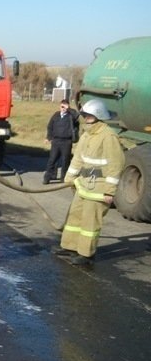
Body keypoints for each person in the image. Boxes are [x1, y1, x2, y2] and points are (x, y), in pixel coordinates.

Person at [52, 99, 125, 266]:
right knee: (75, 217)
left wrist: (109, 191)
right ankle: (70, 247)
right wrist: (69, 178)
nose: (85, 118)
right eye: (84, 115)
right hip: (83, 185)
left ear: (98, 116)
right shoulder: (86, 134)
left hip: (99, 188)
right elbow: (78, 159)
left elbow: (116, 164)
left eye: (89, 116)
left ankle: (86, 254)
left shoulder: (108, 136)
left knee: (90, 222)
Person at [43, 99, 80, 184]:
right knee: (52, 160)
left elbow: (77, 115)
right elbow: (50, 126)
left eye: (65, 106)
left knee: (65, 161)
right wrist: (48, 137)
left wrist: (68, 108)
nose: (63, 108)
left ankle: (64, 178)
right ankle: (48, 177)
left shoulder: (71, 116)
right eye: (62, 106)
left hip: (66, 142)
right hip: (56, 141)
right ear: (59, 106)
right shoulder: (56, 115)